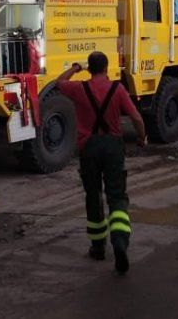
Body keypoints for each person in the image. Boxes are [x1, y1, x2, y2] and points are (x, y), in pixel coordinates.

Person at [55, 52, 146, 274]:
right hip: (113, 147)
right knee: (116, 196)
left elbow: (59, 83)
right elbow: (136, 118)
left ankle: (98, 248)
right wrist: (141, 138)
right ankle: (120, 243)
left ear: (90, 68)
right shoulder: (117, 89)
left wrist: (76, 68)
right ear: (106, 67)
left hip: (89, 148)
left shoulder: (80, 89)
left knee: (93, 196)